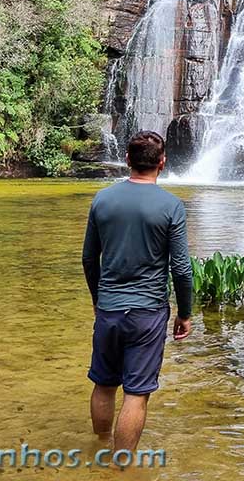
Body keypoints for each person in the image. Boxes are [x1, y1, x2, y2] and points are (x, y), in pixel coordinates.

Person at [82, 130, 193, 453]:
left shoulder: (102, 199)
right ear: (162, 163)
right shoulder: (171, 206)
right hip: (148, 312)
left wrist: (97, 299)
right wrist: (185, 313)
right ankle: (121, 466)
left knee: (103, 384)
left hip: (109, 308)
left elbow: (89, 258)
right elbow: (181, 269)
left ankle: (98, 449)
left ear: (127, 159)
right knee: (136, 393)